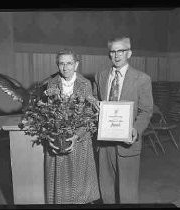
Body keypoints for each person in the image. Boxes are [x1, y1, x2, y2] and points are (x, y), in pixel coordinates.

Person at [93, 36, 153, 203]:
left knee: (128, 192)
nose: (117, 55)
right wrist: (95, 107)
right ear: (109, 54)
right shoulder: (100, 76)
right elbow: (93, 101)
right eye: (113, 51)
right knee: (106, 190)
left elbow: (146, 110)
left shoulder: (142, 79)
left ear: (129, 53)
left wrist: (136, 129)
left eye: (121, 51)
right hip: (104, 144)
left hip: (128, 144)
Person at [44, 49, 100, 204]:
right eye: (61, 63)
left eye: (69, 63)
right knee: (61, 191)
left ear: (76, 65)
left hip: (79, 141)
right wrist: (51, 135)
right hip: (58, 140)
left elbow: (89, 117)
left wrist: (76, 136)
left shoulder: (85, 84)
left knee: (79, 190)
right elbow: (48, 114)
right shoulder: (51, 83)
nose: (65, 67)